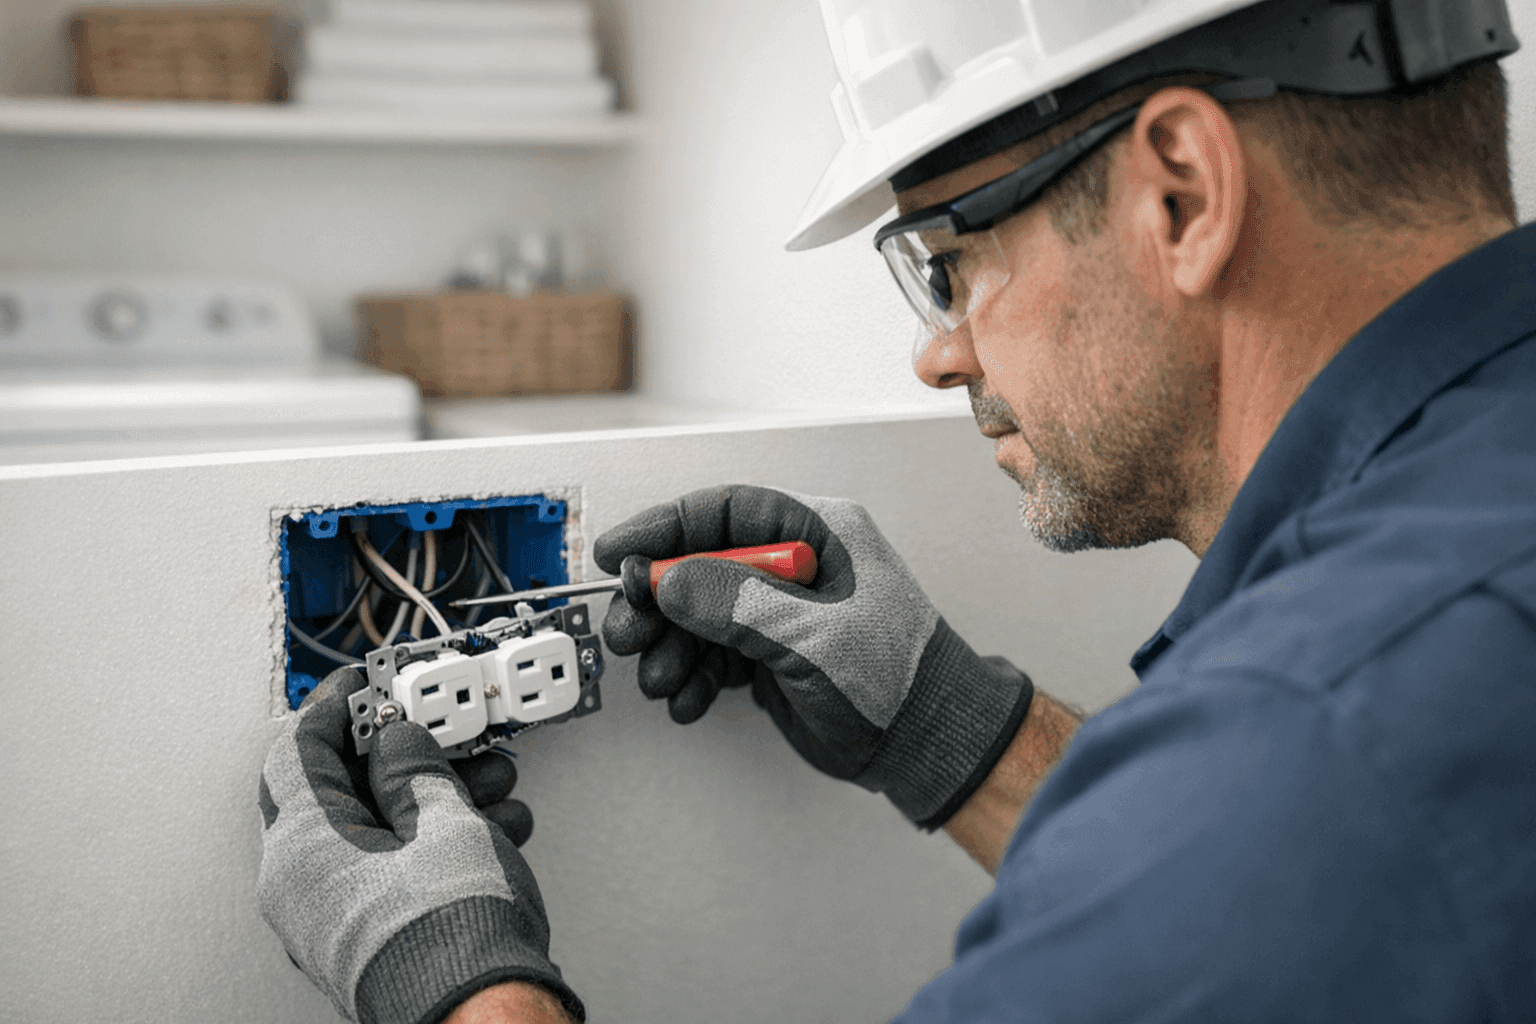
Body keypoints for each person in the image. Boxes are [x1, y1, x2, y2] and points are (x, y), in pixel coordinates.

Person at [257, 0, 1536, 1021]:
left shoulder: (1310, 746)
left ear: (1181, 195)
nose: (938, 354)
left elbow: (1269, 835)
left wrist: (465, 992)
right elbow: (1293, 916)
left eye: (949, 261)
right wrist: (955, 728)